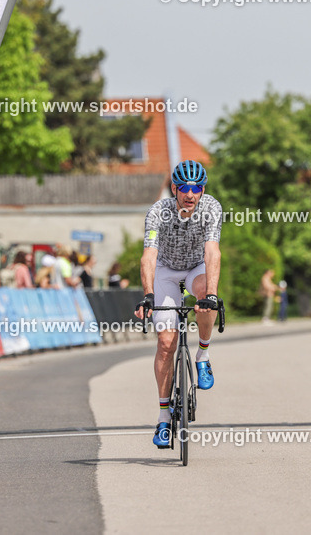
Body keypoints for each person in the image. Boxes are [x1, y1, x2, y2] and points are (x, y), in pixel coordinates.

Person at [134, 160, 222, 449]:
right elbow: (149, 256)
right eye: (184, 188)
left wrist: (211, 293)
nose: (190, 194)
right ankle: (162, 417)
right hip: (166, 271)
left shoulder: (211, 208)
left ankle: (203, 356)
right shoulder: (158, 212)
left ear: (203, 190)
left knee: (207, 300)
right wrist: (148, 295)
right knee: (166, 342)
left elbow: (212, 251)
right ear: (174, 189)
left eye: (196, 188)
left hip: (196, 266)